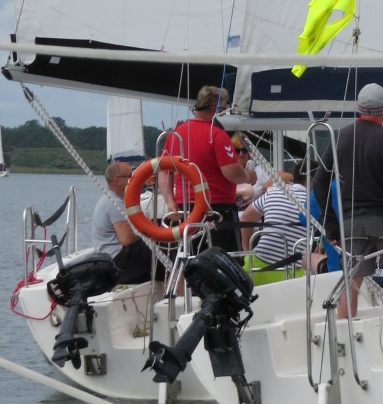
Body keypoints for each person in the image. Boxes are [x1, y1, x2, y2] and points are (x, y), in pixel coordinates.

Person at [311, 82, 383, 342]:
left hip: (351, 224)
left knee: (351, 283)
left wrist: (331, 224)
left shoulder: (339, 138)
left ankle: (343, 346)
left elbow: (319, 182)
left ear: (358, 108)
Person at [159, 84, 256, 252]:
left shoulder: (176, 134)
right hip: (217, 209)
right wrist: (249, 176)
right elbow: (231, 173)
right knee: (225, 258)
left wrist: (170, 201)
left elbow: (164, 171)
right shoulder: (217, 134)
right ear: (213, 109)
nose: (224, 113)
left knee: (187, 257)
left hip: (185, 209)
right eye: (223, 108)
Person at [91, 159, 156, 284]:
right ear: (117, 181)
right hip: (117, 262)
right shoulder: (114, 203)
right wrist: (149, 229)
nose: (133, 179)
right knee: (163, 249)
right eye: (130, 176)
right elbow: (126, 239)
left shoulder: (109, 199)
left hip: (109, 258)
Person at [240, 179, 309, 269]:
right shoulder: (317, 202)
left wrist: (246, 251)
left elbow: (246, 218)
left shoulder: (274, 192)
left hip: (256, 266)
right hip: (294, 270)